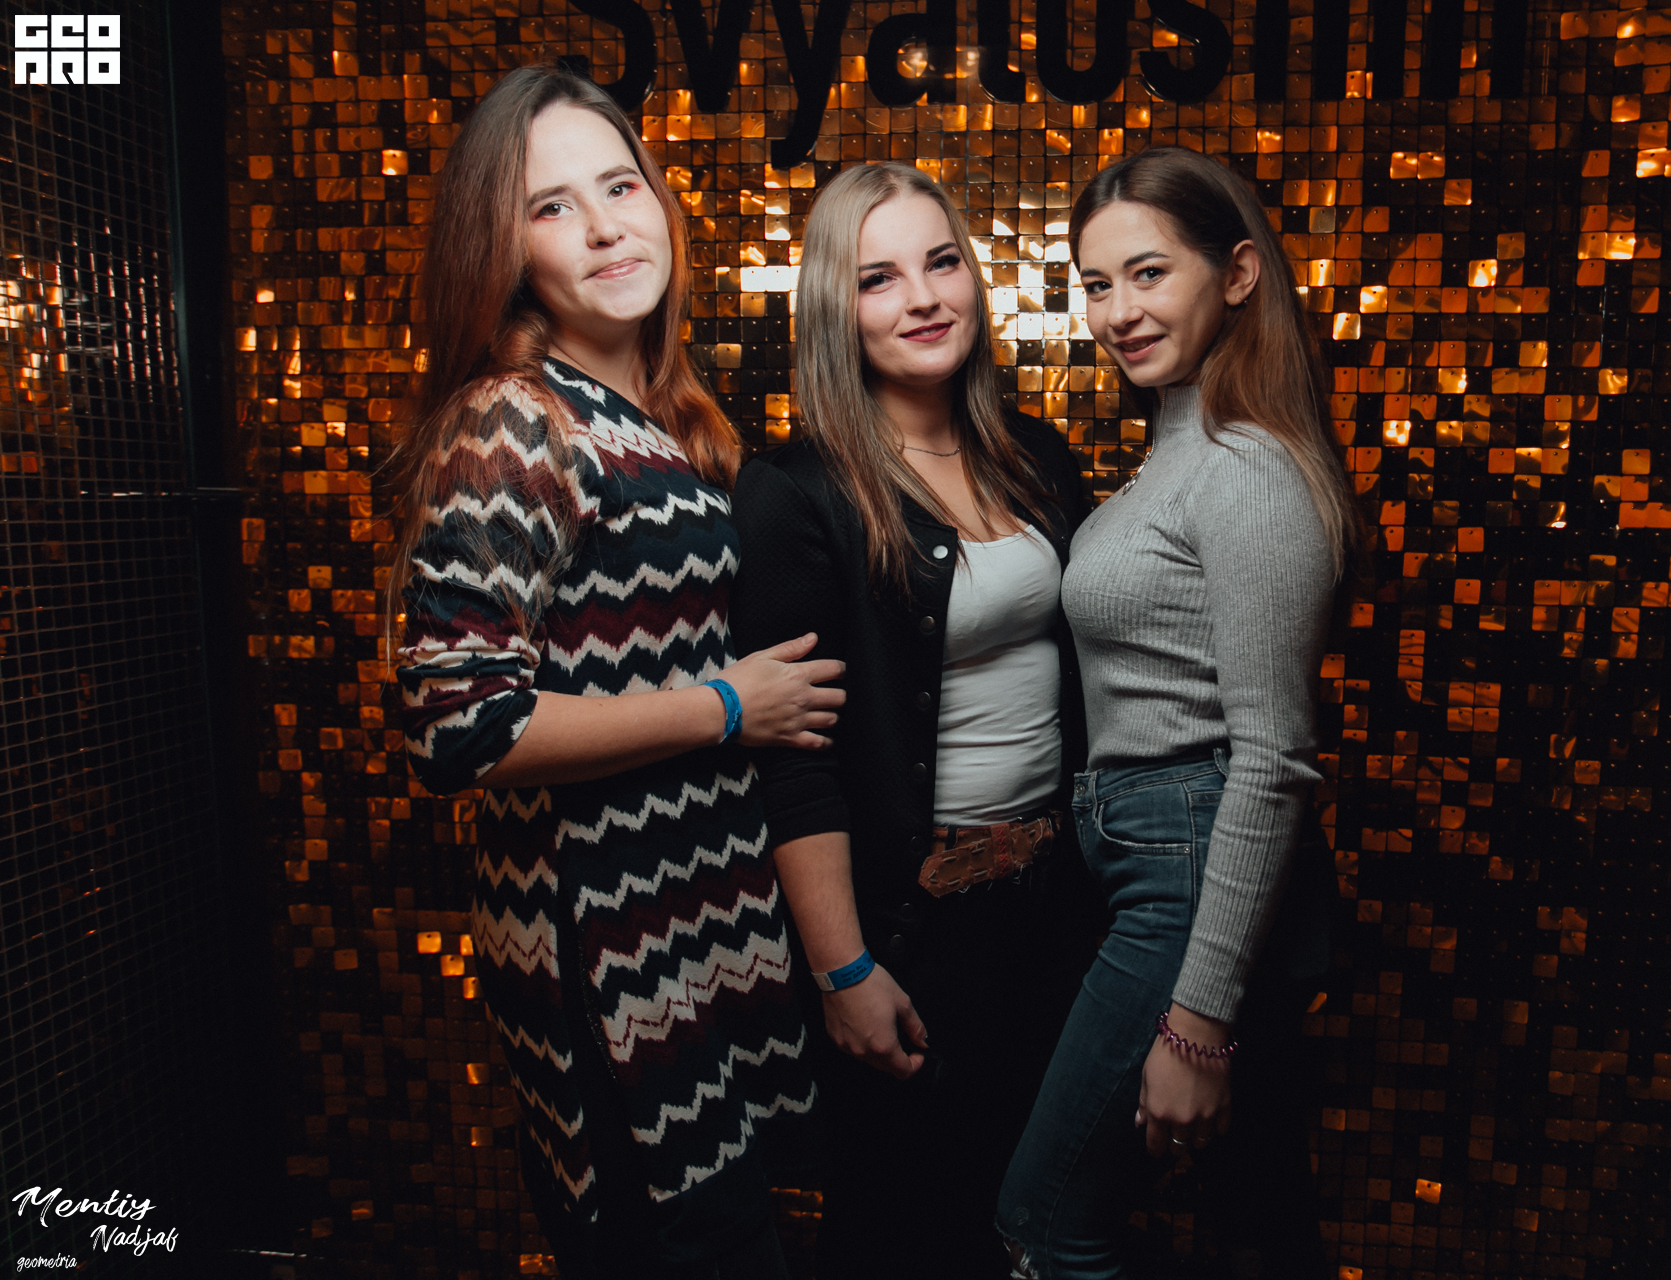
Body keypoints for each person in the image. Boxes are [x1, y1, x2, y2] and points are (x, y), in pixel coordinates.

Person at [389, 65, 845, 1280]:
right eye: (551, 205)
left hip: (691, 946)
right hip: (607, 961)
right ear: (506, 247)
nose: (602, 225)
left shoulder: (655, 414)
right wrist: (730, 705)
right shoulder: (516, 418)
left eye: (620, 185)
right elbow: (458, 727)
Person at [728, 162, 1096, 1279]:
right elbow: (794, 762)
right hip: (917, 929)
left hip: (1054, 909)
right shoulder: (799, 491)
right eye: (878, 277)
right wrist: (844, 970)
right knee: (905, 1230)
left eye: (941, 263)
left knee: (1033, 1220)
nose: (924, 297)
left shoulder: (1035, 457)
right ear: (834, 308)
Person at [996, 146, 1358, 1277]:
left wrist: (1197, 1021)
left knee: (1047, 1221)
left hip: (1189, 865)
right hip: (1149, 862)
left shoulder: (1245, 467)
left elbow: (1273, 757)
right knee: (1235, 1222)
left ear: (1238, 273)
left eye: (1149, 273)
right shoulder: (1177, 455)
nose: (1119, 312)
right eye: (1097, 284)